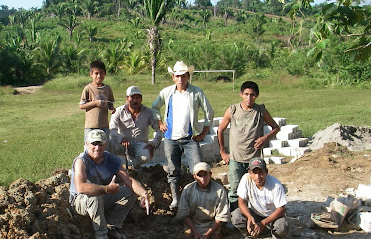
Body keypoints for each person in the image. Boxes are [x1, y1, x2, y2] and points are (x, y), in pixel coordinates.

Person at [69, 129, 150, 239]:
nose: (97, 148)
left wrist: (144, 193)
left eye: (100, 144)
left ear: (105, 144)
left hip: (103, 196)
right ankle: (101, 235)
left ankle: (112, 225)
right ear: (87, 144)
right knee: (95, 198)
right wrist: (106, 189)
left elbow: (128, 179)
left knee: (130, 192)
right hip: (81, 201)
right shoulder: (81, 161)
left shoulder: (110, 159)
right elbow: (81, 187)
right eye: (94, 144)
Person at [152, 61, 214, 210]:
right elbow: (155, 106)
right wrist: (160, 123)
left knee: (198, 168)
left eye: (183, 76)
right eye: (177, 76)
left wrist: (204, 132)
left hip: (189, 138)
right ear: (173, 77)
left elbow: (209, 112)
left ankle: (198, 199)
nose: (180, 79)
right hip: (170, 138)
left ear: (188, 76)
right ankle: (176, 200)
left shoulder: (196, 92)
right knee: (173, 170)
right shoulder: (167, 92)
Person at [217, 81, 280, 211]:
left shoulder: (260, 111)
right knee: (234, 191)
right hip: (236, 159)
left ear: (256, 96)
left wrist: (265, 138)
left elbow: (275, 127)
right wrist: (223, 151)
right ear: (241, 94)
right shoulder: (233, 110)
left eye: (252, 95)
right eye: (246, 94)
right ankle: (235, 217)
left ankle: (254, 215)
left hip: (254, 160)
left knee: (255, 188)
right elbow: (220, 130)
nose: (249, 98)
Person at [231, 157, 288, 239]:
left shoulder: (275, 185)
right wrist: (249, 217)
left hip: (272, 216)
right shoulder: (246, 179)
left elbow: (281, 209)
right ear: (250, 173)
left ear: (266, 172)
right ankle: (251, 236)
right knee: (236, 216)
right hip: (255, 213)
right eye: (254, 173)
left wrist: (263, 223)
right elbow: (241, 202)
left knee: (282, 226)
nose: (258, 176)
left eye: (261, 172)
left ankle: (275, 237)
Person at [108, 86, 162, 169]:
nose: (135, 100)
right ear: (127, 99)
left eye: (137, 98)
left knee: (146, 155)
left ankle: (134, 168)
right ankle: (114, 168)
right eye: (132, 98)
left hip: (140, 144)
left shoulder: (148, 112)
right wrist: (121, 138)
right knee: (108, 143)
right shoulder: (118, 112)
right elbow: (112, 130)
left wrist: (153, 144)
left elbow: (159, 129)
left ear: (141, 99)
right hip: (122, 144)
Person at [79, 60, 115, 143]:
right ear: (91, 74)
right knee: (89, 147)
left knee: (104, 147)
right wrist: (94, 103)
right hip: (91, 125)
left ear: (105, 74)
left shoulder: (107, 89)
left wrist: (112, 109)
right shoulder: (88, 89)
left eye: (101, 73)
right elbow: (81, 105)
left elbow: (110, 103)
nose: (99, 76)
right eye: (96, 73)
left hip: (104, 125)